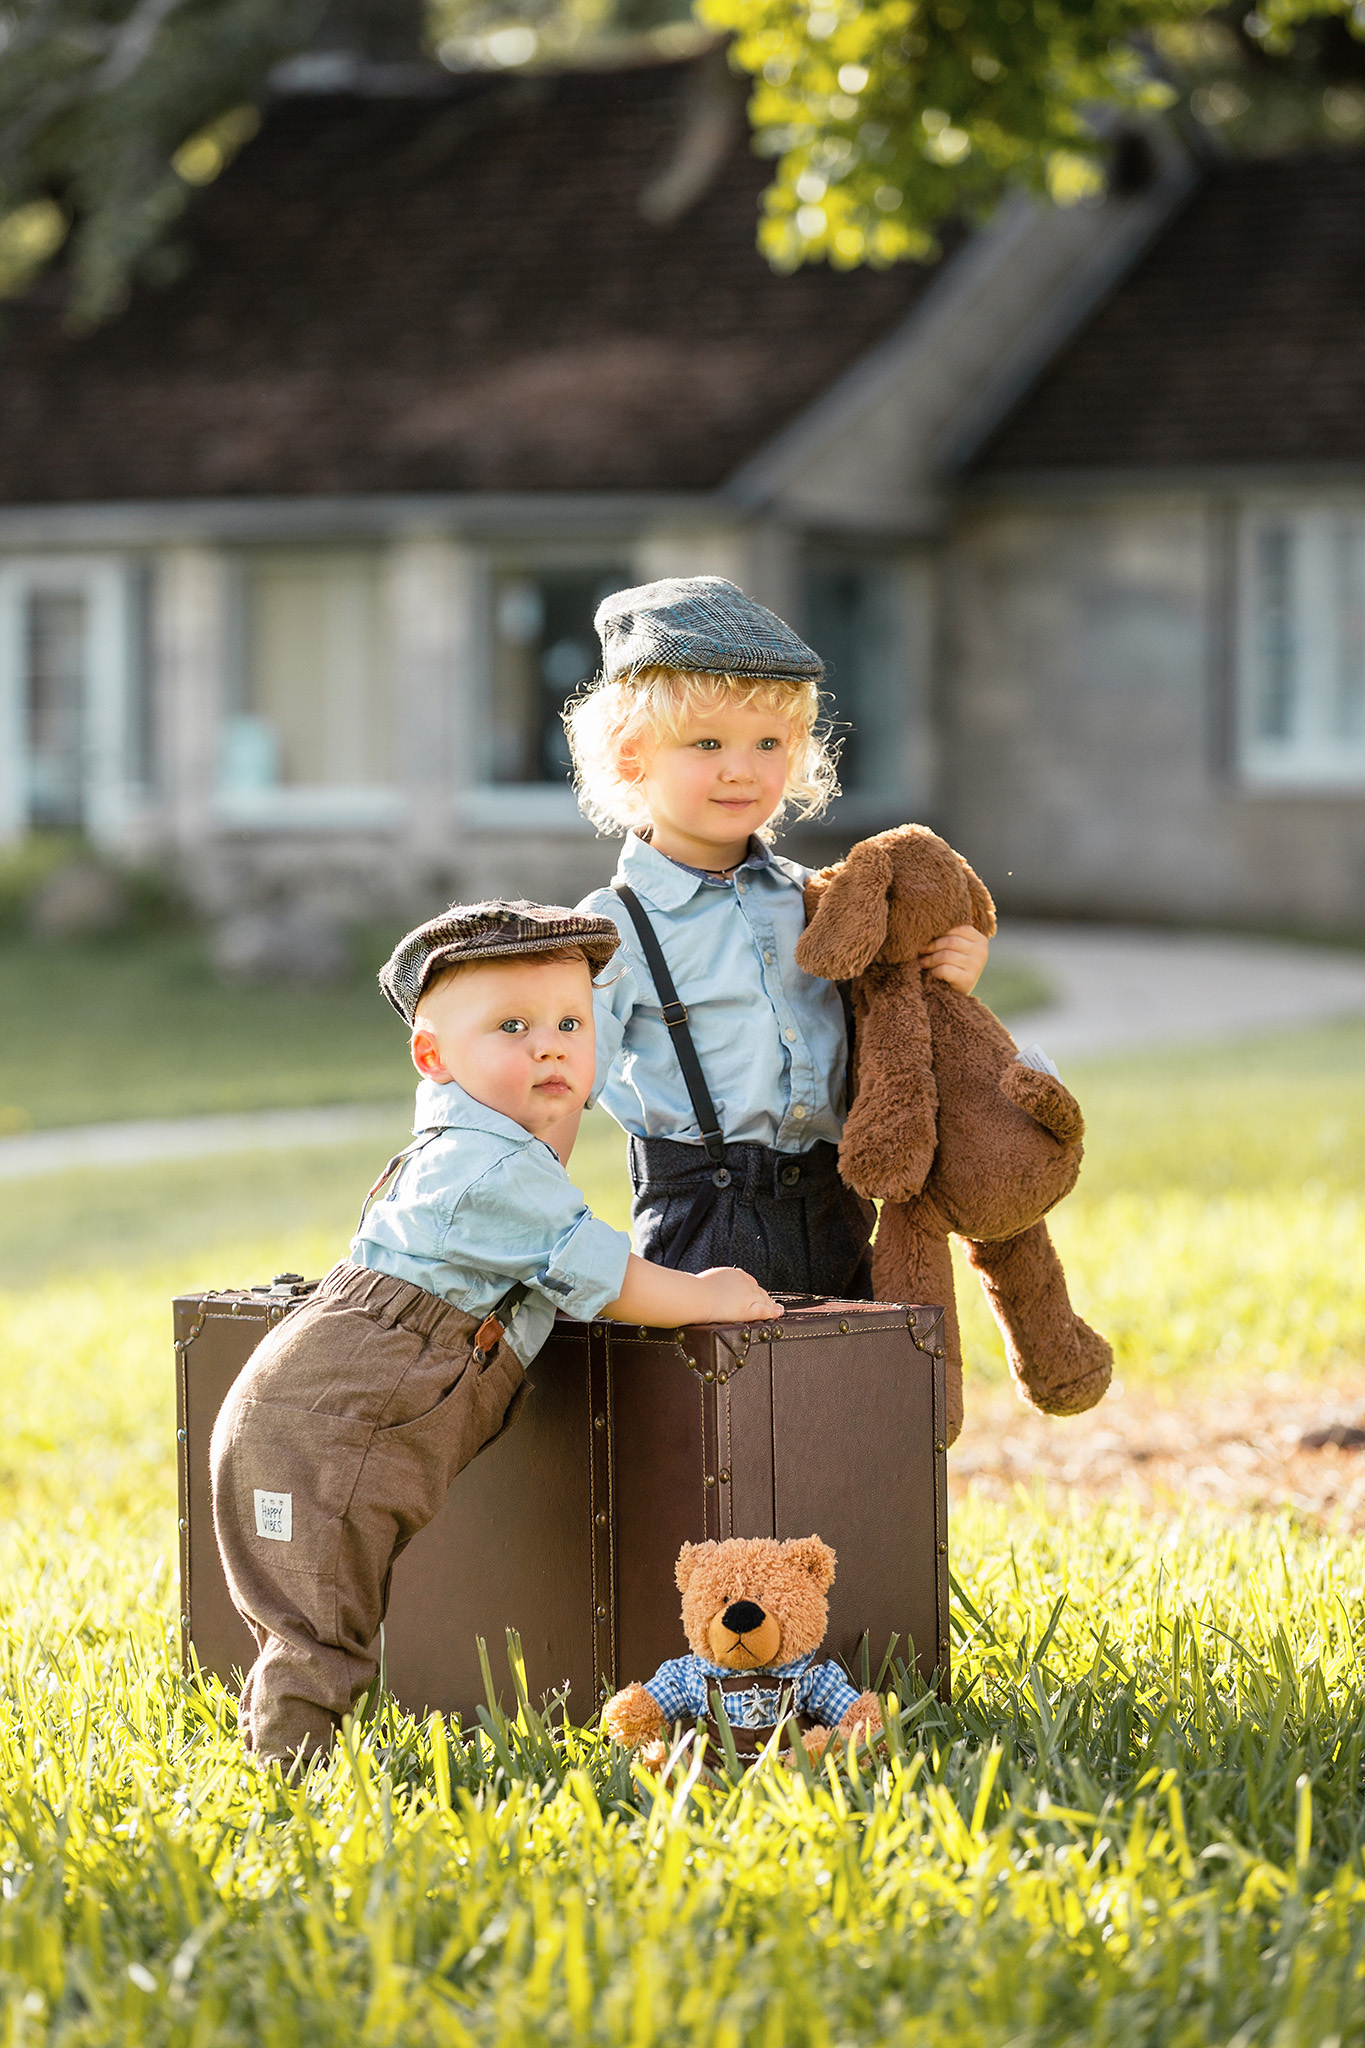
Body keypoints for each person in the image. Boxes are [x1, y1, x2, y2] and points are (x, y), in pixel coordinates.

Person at [210, 899, 782, 1764]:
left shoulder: (472, 1145)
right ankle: (292, 1779)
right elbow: (605, 1279)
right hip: (331, 1425)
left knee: (313, 1613)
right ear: (434, 1057)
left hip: (319, 1411)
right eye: (511, 1026)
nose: (549, 1044)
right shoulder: (487, 1166)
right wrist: (707, 1294)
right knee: (318, 1625)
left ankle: (289, 1748)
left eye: (570, 1023)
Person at [568, 576, 989, 1297]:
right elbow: (559, 1087)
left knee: (850, 1386)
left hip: (837, 1203)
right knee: (721, 1402)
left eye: (767, 742)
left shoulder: (818, 899)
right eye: (707, 743)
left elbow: (886, 1024)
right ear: (632, 756)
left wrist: (946, 976)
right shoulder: (614, 927)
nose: (742, 769)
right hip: (702, 1221)